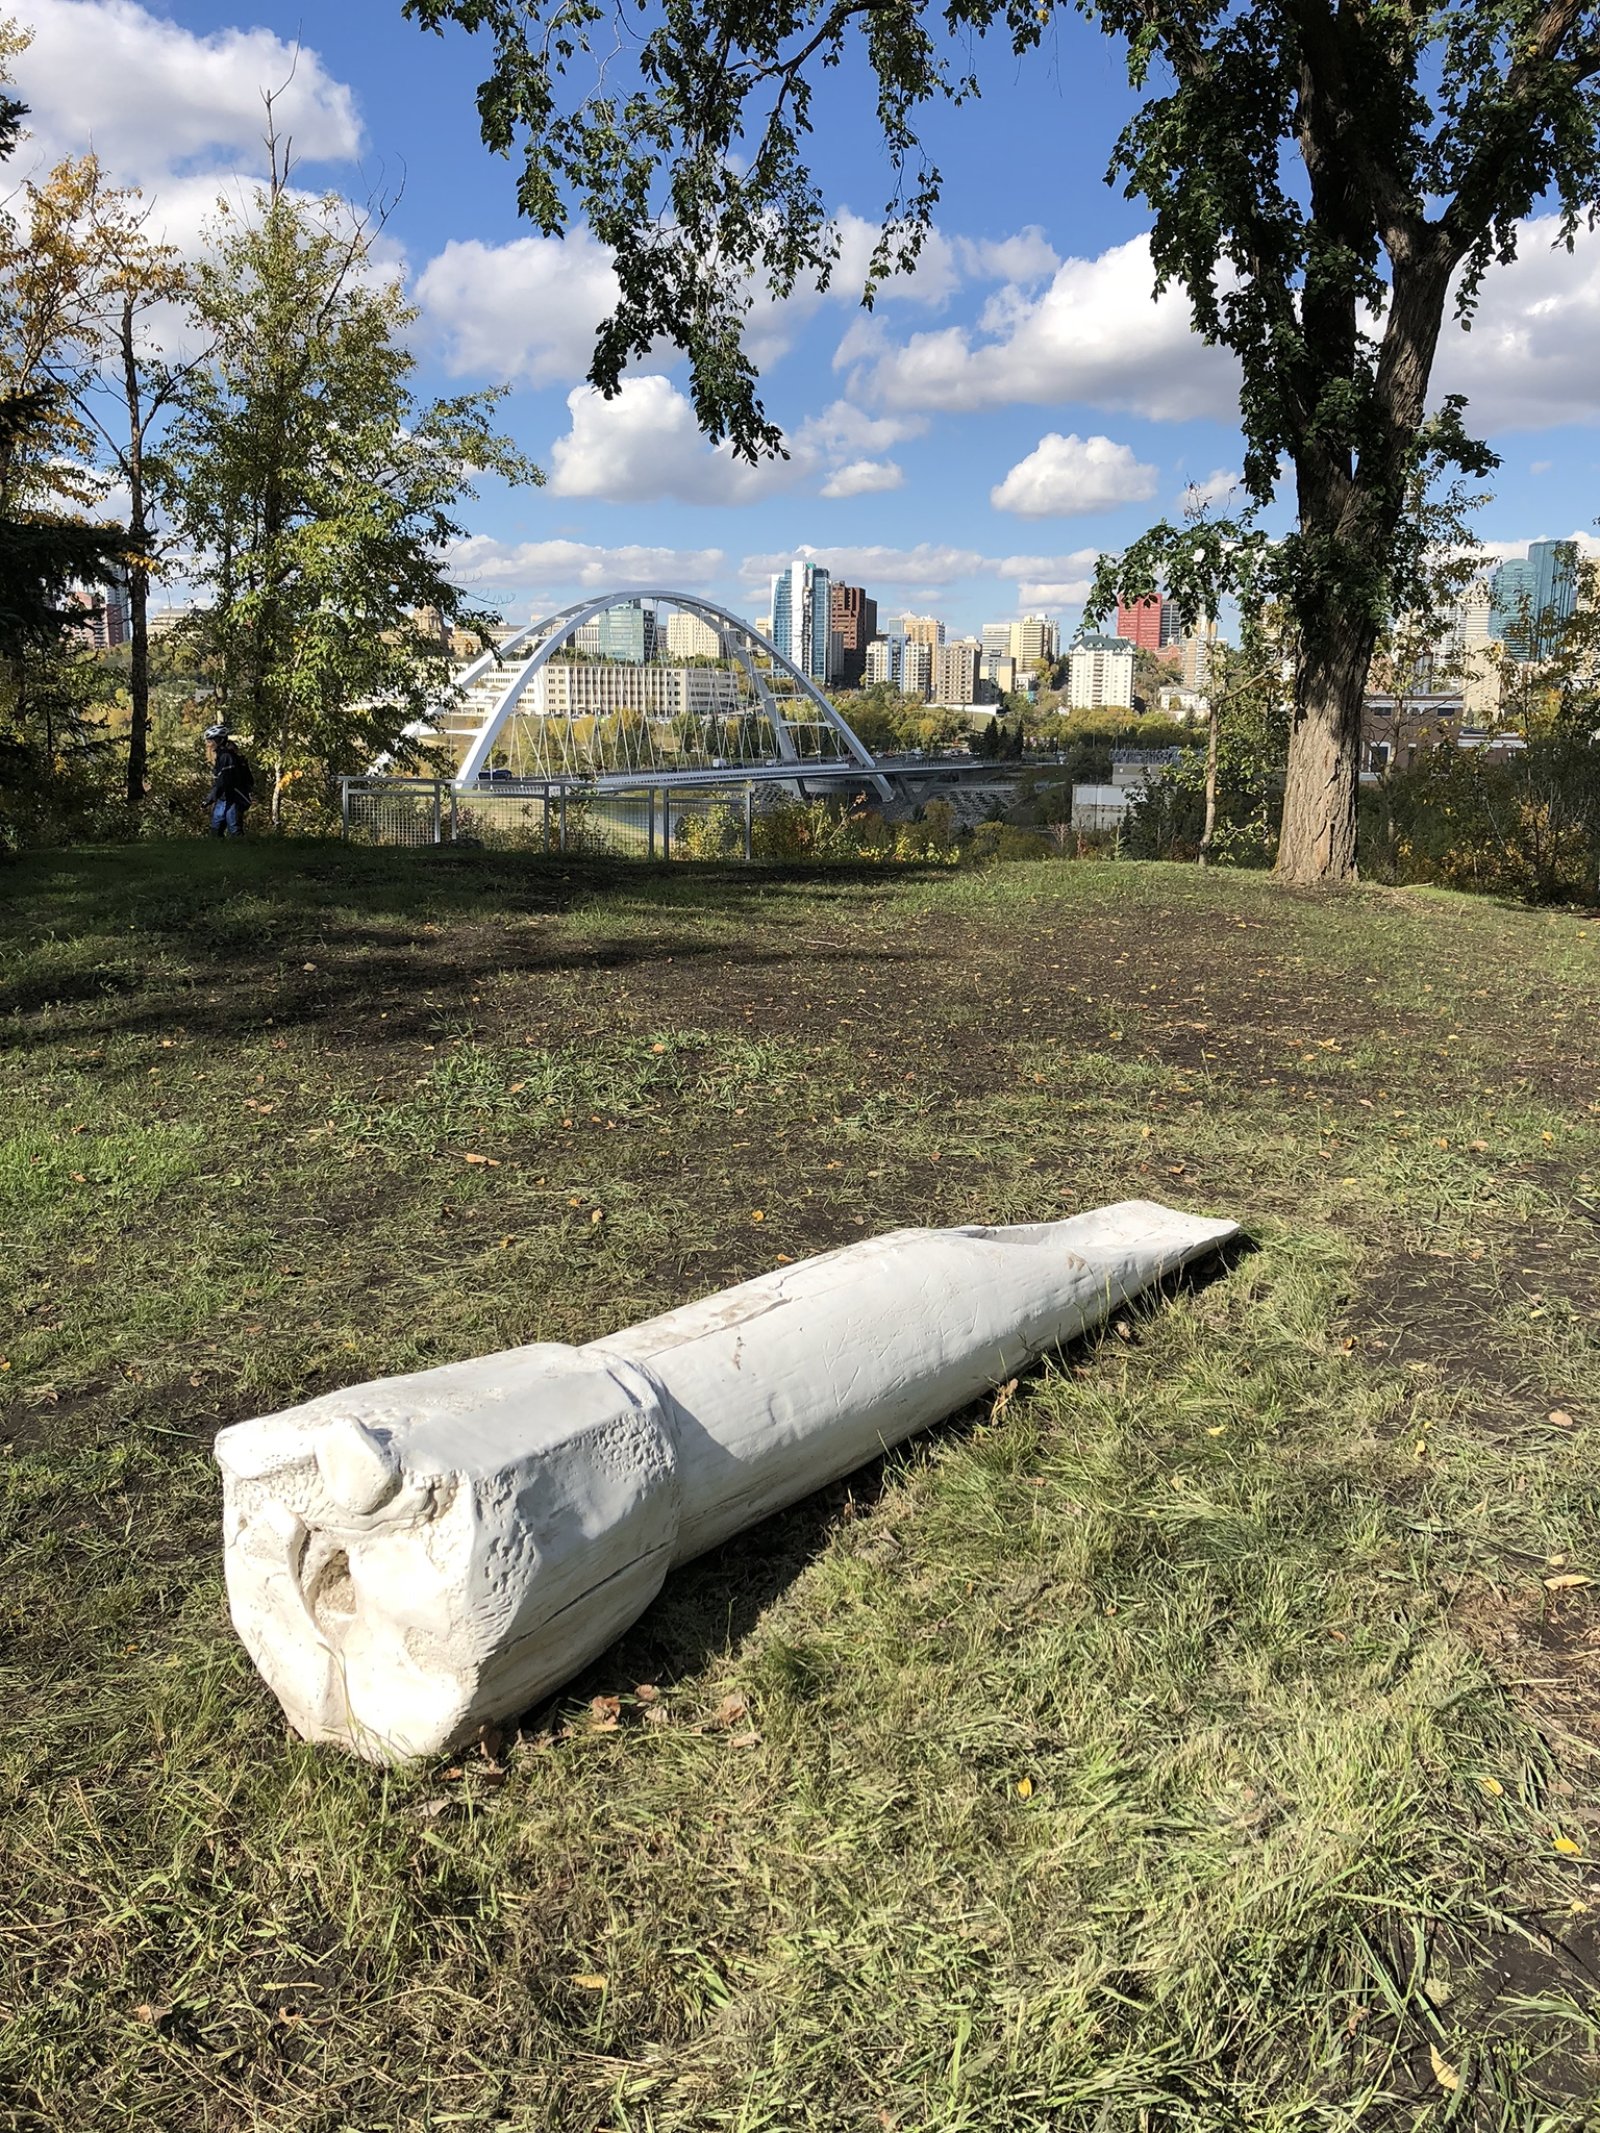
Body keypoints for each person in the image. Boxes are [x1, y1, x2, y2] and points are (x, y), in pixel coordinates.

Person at [203, 723, 254, 837]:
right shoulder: (222, 755)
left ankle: (242, 853)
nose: (207, 744)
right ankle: (217, 853)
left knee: (234, 829)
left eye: (210, 741)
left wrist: (209, 799)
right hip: (224, 798)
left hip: (234, 798)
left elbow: (223, 781)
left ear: (219, 740)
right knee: (215, 830)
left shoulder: (226, 757)